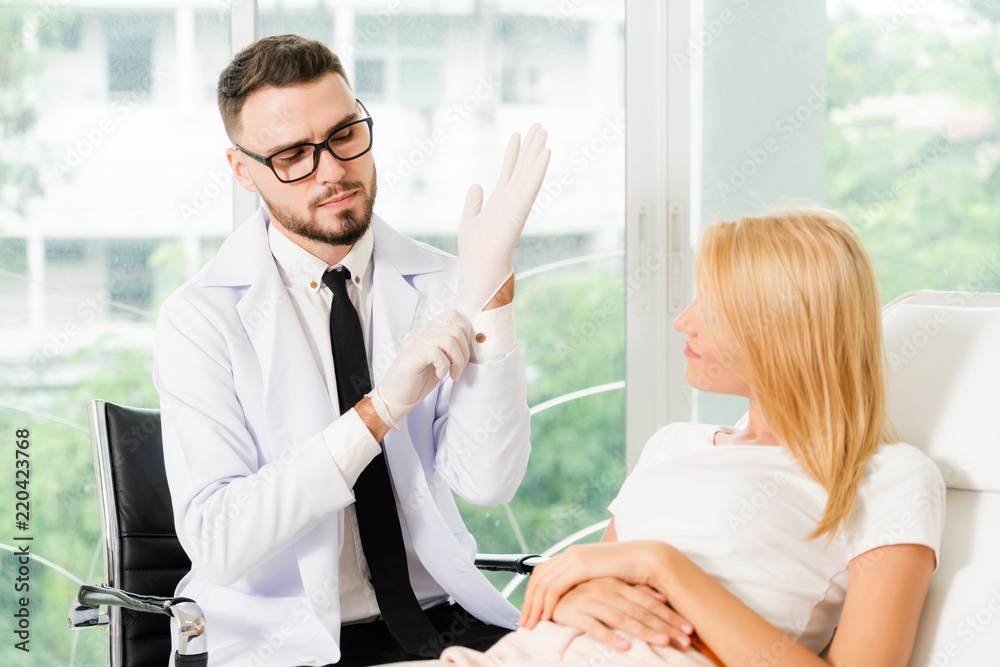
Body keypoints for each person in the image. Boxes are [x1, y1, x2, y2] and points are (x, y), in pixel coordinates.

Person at [153, 34, 550, 667]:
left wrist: (491, 289)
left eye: (344, 134)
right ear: (242, 169)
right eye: (292, 156)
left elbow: (489, 481)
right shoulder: (201, 319)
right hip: (283, 642)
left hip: (437, 618)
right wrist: (380, 411)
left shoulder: (444, 283)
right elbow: (220, 542)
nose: (332, 171)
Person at [406, 207, 945, 667]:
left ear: (781, 328)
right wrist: (571, 598)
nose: (683, 321)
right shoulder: (674, 445)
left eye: (711, 306)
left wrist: (661, 564)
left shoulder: (886, 478)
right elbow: (575, 594)